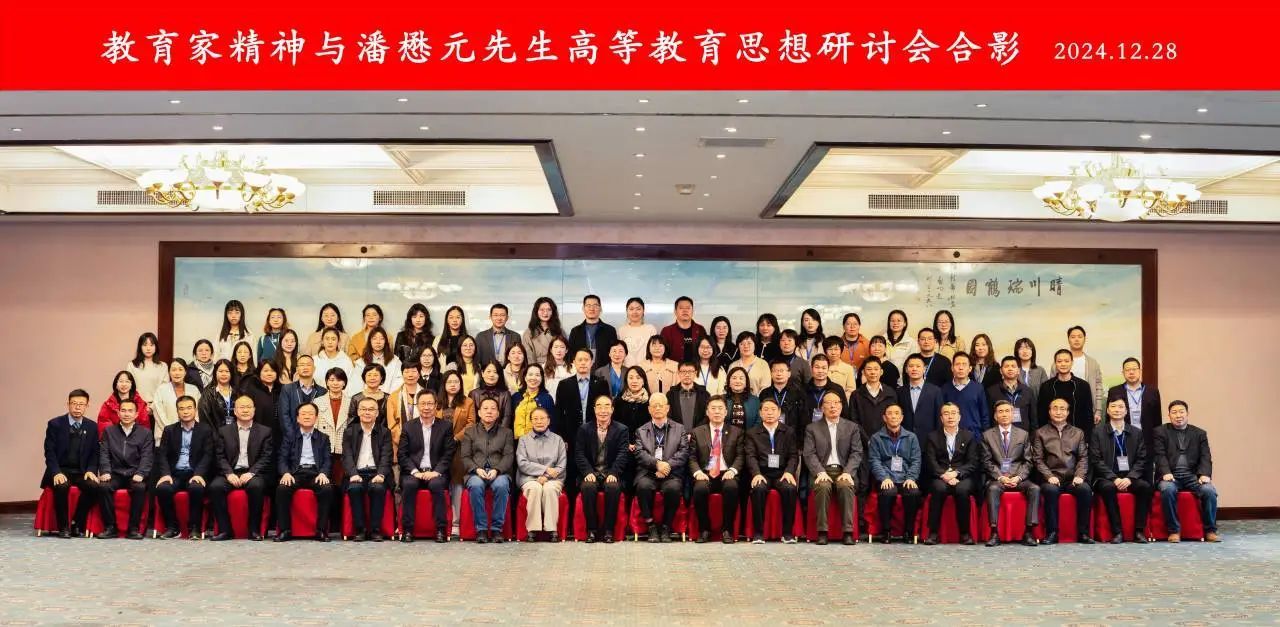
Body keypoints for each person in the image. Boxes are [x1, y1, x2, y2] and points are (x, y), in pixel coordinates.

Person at [1153, 400, 1219, 542]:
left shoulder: (1199, 433)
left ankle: (1210, 530)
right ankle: (1174, 531)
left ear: (1187, 414)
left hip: (1192, 476)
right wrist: (1165, 472)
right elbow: (1159, 455)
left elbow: (1206, 456)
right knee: (1167, 489)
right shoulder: (1160, 432)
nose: (1178, 415)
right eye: (1174, 412)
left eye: (1181, 412)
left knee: (1209, 491)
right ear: (1169, 415)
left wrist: (1204, 474)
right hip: (1170, 476)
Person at [209, 395, 273, 541]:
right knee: (215, 487)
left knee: (257, 486)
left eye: (249, 407)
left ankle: (254, 530)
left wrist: (251, 473)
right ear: (235, 411)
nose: (245, 410)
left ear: (254, 410)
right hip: (231, 472)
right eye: (242, 407)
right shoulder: (224, 431)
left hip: (253, 473)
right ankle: (225, 530)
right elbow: (219, 456)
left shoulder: (265, 432)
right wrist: (228, 473)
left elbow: (266, 457)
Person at [1090, 393, 1151, 544]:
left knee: (1144, 487)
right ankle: (1117, 532)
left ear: (1126, 411)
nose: (1117, 410)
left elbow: (1142, 459)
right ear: (1108, 410)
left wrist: (1130, 478)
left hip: (1130, 476)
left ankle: (1139, 531)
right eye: (1113, 406)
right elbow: (1096, 460)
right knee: (1108, 488)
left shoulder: (1136, 432)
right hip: (1106, 477)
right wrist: (1114, 478)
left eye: (1120, 407)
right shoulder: (1098, 432)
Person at [1032, 398, 1095, 544]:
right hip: (1052, 478)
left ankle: (1083, 533)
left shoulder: (1078, 433)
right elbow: (1037, 459)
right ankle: (1052, 533)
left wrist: (1079, 475)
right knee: (1050, 491)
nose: (1058, 412)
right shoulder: (1040, 433)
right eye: (1055, 408)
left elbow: (1083, 457)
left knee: (1085, 490)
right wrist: (1048, 476)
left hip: (1073, 478)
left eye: (1062, 409)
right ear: (1049, 412)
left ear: (1067, 412)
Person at [802, 390, 862, 545]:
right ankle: (822, 532)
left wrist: (848, 472)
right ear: (822, 408)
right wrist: (820, 472)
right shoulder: (812, 428)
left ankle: (848, 532)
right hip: (822, 471)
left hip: (844, 470)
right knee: (823, 486)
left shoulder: (852, 427)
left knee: (845, 485)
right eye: (828, 403)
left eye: (836, 403)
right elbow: (809, 454)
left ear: (841, 406)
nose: (833, 406)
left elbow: (856, 453)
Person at [42, 389, 103, 538]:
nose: (77, 407)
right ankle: (63, 527)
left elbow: (95, 452)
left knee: (95, 487)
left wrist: (91, 470)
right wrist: (56, 472)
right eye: (74, 403)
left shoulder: (92, 426)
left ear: (87, 405)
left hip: (81, 471)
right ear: (68, 404)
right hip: (60, 469)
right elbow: (49, 452)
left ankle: (77, 523)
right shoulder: (55, 424)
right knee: (61, 486)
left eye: (81, 404)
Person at [399, 390, 457, 543]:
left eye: (430, 403)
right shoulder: (408, 427)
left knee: (437, 485)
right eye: (423, 404)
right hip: (414, 472)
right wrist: (415, 472)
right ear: (417, 406)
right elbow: (402, 455)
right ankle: (408, 530)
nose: (426, 407)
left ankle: (440, 529)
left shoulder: (445, 426)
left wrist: (436, 471)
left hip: (436, 472)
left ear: (436, 405)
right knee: (409, 485)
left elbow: (449, 453)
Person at [981, 400, 1040, 547]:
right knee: (992, 489)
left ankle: (1029, 532)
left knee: (1035, 488)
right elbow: (986, 462)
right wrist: (1000, 477)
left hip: (1018, 477)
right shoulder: (987, 436)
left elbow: (1028, 461)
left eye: (1007, 411)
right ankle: (994, 532)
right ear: (995, 416)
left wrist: (1018, 477)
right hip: (998, 478)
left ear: (1013, 415)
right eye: (1000, 411)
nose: (1004, 414)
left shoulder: (1023, 435)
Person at [274, 402, 333, 542]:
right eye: (303, 414)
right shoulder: (289, 436)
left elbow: (327, 460)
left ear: (316, 418)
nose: (307, 416)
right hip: (295, 473)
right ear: (297, 418)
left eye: (311, 414)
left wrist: (323, 473)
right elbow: (282, 458)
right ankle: (285, 530)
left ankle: (321, 530)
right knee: (282, 489)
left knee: (326, 489)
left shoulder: (323, 438)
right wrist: (285, 473)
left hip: (315, 473)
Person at [634, 394, 690, 542]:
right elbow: (639, 453)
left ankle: (666, 527)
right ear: (649, 409)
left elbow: (684, 452)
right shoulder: (641, 430)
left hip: (672, 472)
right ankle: (651, 526)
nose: (658, 408)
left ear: (667, 408)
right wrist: (657, 465)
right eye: (654, 405)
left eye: (661, 405)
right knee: (643, 486)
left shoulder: (680, 429)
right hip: (648, 472)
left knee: (673, 488)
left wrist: (667, 465)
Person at [154, 395, 212, 540]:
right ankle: (173, 527)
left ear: (195, 410)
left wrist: (199, 473)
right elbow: (162, 455)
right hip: (175, 473)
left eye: (189, 408)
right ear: (177, 411)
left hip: (194, 472)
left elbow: (208, 455)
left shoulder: (205, 430)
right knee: (163, 488)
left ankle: (194, 528)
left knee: (196, 488)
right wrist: (165, 474)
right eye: (181, 409)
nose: (185, 411)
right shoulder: (169, 430)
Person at [575, 395, 630, 543]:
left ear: (612, 409)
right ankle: (591, 530)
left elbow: (623, 454)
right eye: (599, 406)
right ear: (594, 410)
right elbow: (579, 454)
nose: (603, 410)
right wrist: (587, 472)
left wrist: (614, 473)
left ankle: (608, 531)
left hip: (611, 472)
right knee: (587, 487)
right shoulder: (584, 429)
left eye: (607, 406)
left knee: (612, 487)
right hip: (591, 472)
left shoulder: (622, 429)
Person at [689, 396, 744, 543]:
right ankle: (704, 530)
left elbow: (740, 455)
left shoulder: (736, 432)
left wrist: (733, 470)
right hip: (705, 473)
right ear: (707, 412)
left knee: (732, 487)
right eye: (713, 408)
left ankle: (727, 530)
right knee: (699, 489)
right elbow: (692, 457)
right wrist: (697, 472)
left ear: (726, 412)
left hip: (727, 473)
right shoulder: (697, 432)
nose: (717, 412)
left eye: (720, 408)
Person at [460, 397, 515, 543]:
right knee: (476, 485)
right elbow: (465, 457)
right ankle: (481, 529)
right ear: (479, 412)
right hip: (476, 472)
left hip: (499, 472)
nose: (489, 411)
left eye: (493, 409)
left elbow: (508, 456)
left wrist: (497, 469)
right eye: (485, 408)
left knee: (502, 485)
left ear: (498, 413)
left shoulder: (506, 432)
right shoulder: (470, 432)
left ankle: (497, 529)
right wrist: (476, 469)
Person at [922, 403, 978, 545]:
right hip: (940, 475)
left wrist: (956, 474)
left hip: (961, 476)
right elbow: (930, 461)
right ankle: (933, 533)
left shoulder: (969, 436)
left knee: (962, 490)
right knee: (938, 488)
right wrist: (944, 475)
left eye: (953, 413)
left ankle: (965, 533)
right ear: (941, 418)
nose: (950, 417)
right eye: (946, 413)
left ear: (959, 417)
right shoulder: (932, 437)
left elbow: (972, 462)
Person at [745, 398, 800, 544]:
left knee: (790, 488)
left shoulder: (788, 431)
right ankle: (758, 533)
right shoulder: (752, 433)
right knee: (758, 489)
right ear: (760, 413)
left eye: (773, 409)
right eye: (766, 410)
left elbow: (793, 455)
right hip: (762, 473)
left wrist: (789, 472)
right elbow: (750, 456)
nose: (769, 413)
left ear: (779, 412)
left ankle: (787, 533)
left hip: (782, 473)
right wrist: (756, 473)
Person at [98, 403, 155, 538]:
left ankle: (133, 529)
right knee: (103, 487)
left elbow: (147, 456)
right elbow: (104, 453)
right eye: (123, 410)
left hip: (135, 473)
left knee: (140, 488)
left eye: (130, 411)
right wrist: (105, 471)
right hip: (115, 473)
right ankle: (110, 527)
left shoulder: (145, 433)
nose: (126, 414)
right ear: (118, 413)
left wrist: (141, 473)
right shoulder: (109, 431)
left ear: (136, 414)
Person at [868, 404, 922, 543]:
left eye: (897, 413)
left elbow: (916, 460)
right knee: (888, 492)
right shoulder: (876, 438)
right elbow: (874, 461)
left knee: (913, 492)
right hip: (886, 478)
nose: (893, 416)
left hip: (905, 478)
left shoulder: (911, 437)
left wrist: (911, 478)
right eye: (890, 413)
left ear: (902, 417)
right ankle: (886, 531)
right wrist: (884, 478)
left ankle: (909, 532)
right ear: (884, 418)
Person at [342, 397, 394, 542]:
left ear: (377, 413)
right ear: (358, 412)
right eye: (363, 409)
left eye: (371, 409)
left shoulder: (385, 432)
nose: (367, 412)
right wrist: (353, 474)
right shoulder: (349, 432)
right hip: (356, 473)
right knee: (355, 488)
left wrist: (381, 474)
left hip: (376, 473)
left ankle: (375, 530)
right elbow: (346, 456)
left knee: (377, 488)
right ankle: (360, 530)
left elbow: (386, 456)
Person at [516, 407, 567, 542]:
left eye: (542, 418)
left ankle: (552, 529)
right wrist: (544, 469)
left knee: (549, 489)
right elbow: (522, 463)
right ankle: (532, 529)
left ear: (548, 421)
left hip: (554, 478)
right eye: (535, 419)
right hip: (529, 478)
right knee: (535, 488)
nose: (539, 421)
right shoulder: (523, 440)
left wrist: (546, 476)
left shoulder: (558, 440)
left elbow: (561, 465)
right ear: (531, 422)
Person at [1108, 357, 1163, 474]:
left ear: (1140, 371)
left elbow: (1157, 420)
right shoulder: (1114, 391)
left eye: (1134, 369)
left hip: (1146, 439)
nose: (1131, 372)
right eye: (1128, 370)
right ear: (1123, 373)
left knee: (1146, 475)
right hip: (1123, 438)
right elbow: (1109, 418)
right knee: (1123, 474)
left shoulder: (1152, 391)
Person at [441, 371, 476, 539]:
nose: (453, 385)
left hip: (459, 447)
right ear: (444, 384)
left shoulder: (467, 402)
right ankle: (443, 521)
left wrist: (456, 438)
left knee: (457, 483)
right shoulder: (437, 402)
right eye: (449, 382)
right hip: (439, 447)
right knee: (441, 482)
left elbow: (471, 424)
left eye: (456, 381)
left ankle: (456, 522)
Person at [1038, 349, 1095, 437]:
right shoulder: (1046, 386)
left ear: (1072, 363)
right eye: (1059, 361)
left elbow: (1088, 415)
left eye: (1066, 361)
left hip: (1077, 436)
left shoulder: (1083, 386)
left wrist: (1086, 438)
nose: (1063, 364)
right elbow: (1041, 414)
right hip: (1051, 437)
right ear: (1055, 363)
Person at [313, 368, 352, 484]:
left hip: (343, 447)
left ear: (344, 383)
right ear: (327, 382)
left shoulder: (351, 402)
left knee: (341, 482)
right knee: (325, 482)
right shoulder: (317, 402)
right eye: (332, 380)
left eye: (339, 380)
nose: (335, 383)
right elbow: (314, 426)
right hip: (324, 447)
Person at [940, 352, 990, 441]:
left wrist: (984, 437)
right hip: (951, 437)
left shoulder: (978, 388)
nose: (961, 368)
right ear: (952, 368)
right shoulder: (944, 389)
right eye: (957, 364)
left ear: (970, 368)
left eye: (964, 364)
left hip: (974, 437)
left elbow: (984, 415)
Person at [152, 359, 200, 446]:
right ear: (169, 372)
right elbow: (159, 414)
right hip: (165, 436)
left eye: (180, 369)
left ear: (185, 372)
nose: (177, 373)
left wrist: (190, 430)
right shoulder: (161, 389)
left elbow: (197, 413)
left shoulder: (194, 389)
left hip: (190, 436)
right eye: (173, 370)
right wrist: (172, 432)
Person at [386, 360, 427, 460]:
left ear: (419, 374)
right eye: (406, 371)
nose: (410, 375)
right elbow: (391, 424)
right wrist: (403, 440)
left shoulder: (427, 395)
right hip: (400, 444)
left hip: (425, 443)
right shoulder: (394, 396)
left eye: (414, 371)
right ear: (402, 374)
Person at [277, 354, 324, 439]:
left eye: (308, 365)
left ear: (314, 369)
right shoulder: (287, 389)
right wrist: (294, 438)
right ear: (297, 369)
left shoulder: (322, 391)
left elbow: (323, 419)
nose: (305, 367)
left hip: (315, 440)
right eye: (302, 365)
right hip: (292, 440)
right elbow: (284, 416)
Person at [897, 355, 942, 440]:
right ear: (906, 369)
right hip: (905, 439)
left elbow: (939, 418)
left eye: (918, 366)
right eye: (911, 366)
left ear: (924, 369)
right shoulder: (900, 392)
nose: (914, 369)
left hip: (929, 440)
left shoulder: (935, 391)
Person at [568, 294, 618, 370]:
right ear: (583, 308)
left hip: (603, 372)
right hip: (581, 371)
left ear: (600, 308)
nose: (592, 308)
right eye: (588, 305)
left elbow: (614, 353)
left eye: (595, 305)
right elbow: (571, 354)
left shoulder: (610, 330)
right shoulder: (575, 331)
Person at [987, 356, 1038, 432]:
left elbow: (1033, 418)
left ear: (1018, 370)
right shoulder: (991, 391)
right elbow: (988, 417)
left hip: (1023, 435)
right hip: (999, 435)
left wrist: (1032, 436)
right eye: (1006, 366)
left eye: (1013, 366)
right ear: (1001, 371)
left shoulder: (1027, 391)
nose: (1010, 369)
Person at [1067, 326, 1105, 425]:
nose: (1076, 339)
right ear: (1068, 339)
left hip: (1086, 407)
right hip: (1064, 409)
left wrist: (1098, 410)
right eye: (1073, 337)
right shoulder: (1059, 362)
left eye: (1080, 336)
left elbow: (1098, 386)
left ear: (1084, 339)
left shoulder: (1093, 363)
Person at [850, 356, 895, 440]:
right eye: (869, 369)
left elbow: (894, 417)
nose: (873, 372)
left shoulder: (890, 393)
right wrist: (866, 439)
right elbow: (854, 420)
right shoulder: (856, 395)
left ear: (881, 372)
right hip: (863, 441)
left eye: (876, 369)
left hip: (886, 440)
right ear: (863, 372)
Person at [239, 360, 282, 446]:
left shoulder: (281, 389)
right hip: (257, 436)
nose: (269, 374)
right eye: (265, 371)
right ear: (259, 372)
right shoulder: (252, 389)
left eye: (272, 371)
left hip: (278, 436)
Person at [98, 370, 151, 437]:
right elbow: (104, 425)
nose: (124, 384)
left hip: (136, 440)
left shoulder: (140, 404)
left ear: (132, 385)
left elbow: (145, 427)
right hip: (114, 440)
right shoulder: (107, 405)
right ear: (116, 385)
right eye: (121, 381)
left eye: (127, 381)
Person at [760, 359, 806, 435]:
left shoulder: (799, 393)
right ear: (771, 373)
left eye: (782, 371)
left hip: (792, 436)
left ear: (789, 373)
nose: (779, 374)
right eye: (775, 371)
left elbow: (803, 419)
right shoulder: (764, 394)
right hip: (769, 435)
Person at [511, 363, 555, 439]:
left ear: (542, 378)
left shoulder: (547, 398)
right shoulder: (516, 397)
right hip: (517, 442)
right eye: (530, 374)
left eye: (537, 375)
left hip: (539, 441)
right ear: (525, 377)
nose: (533, 378)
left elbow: (552, 424)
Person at [347, 364, 389, 442]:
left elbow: (390, 422)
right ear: (364, 377)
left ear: (381, 377)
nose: (372, 378)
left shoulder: (388, 398)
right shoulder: (356, 398)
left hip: (383, 439)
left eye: (376, 375)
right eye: (369, 375)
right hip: (360, 439)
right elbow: (351, 423)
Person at [353, 327, 402, 394]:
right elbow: (356, 385)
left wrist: (388, 397)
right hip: (366, 398)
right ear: (370, 341)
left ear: (386, 342)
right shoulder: (361, 362)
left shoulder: (395, 361)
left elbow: (398, 382)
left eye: (382, 339)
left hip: (389, 397)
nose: (378, 342)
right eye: (374, 338)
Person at [660, 296, 707, 364]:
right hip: (673, 369)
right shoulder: (666, 331)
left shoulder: (700, 329)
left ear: (692, 311)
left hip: (696, 368)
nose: (685, 311)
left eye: (688, 308)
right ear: (675, 312)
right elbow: (662, 354)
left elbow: (705, 351)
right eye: (681, 308)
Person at [475, 303, 523, 369]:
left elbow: (520, 358)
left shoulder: (515, 336)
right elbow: (476, 359)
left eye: (502, 315)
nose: (499, 318)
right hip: (488, 374)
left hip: (509, 373)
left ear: (507, 318)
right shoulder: (481, 337)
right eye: (495, 315)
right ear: (490, 317)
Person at [667, 361, 710, 431]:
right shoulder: (671, 394)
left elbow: (707, 416)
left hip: (699, 433)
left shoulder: (704, 394)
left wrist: (696, 432)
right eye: (683, 371)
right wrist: (679, 431)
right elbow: (668, 416)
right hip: (677, 433)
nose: (687, 375)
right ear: (678, 373)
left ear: (695, 373)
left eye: (690, 371)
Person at [617, 297, 659, 368]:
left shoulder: (651, 329)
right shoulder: (621, 330)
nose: (635, 312)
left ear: (643, 311)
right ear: (627, 311)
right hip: (626, 370)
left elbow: (655, 351)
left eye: (638, 309)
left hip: (647, 370)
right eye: (631, 309)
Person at [126, 332, 166, 405]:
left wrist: (152, 406)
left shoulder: (163, 366)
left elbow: (164, 390)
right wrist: (142, 405)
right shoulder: (132, 365)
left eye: (151, 345)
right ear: (140, 347)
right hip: (137, 405)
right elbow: (129, 388)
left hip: (157, 405)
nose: (148, 348)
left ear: (156, 347)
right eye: (145, 345)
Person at [469, 361, 512, 430]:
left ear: (499, 375)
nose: (491, 375)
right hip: (478, 433)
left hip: (500, 433)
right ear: (482, 373)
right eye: (488, 371)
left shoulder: (505, 394)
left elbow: (507, 417)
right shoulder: (474, 394)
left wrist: (499, 434)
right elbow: (472, 418)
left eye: (495, 372)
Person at [522, 297, 563, 367]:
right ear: (536, 311)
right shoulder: (529, 332)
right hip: (537, 369)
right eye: (542, 309)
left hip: (557, 367)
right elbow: (529, 357)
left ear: (553, 312)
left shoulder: (560, 331)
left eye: (549, 310)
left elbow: (564, 352)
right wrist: (535, 370)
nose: (545, 313)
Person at [312, 327, 356, 395]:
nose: (330, 342)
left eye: (333, 339)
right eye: (327, 339)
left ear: (338, 342)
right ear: (322, 342)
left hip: (341, 397)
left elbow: (351, 383)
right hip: (318, 397)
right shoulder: (314, 360)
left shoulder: (346, 360)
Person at [611, 366, 651, 436]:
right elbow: (614, 425)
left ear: (643, 381)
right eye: (631, 378)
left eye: (638, 378)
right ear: (626, 380)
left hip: (645, 440)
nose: (634, 381)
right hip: (623, 439)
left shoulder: (650, 401)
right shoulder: (619, 401)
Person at [198, 360, 236, 428]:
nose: (224, 374)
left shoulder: (238, 393)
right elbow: (205, 419)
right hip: (214, 433)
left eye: (227, 371)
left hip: (235, 433)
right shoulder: (208, 394)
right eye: (220, 371)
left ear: (232, 373)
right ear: (215, 373)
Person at [723, 367, 761, 432]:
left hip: (750, 436)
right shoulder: (721, 399)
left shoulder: (755, 401)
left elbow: (758, 422)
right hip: (726, 437)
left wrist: (751, 435)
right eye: (734, 378)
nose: (737, 381)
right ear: (728, 382)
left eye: (741, 378)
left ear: (746, 383)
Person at [883, 309, 915, 374]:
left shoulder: (911, 342)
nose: (895, 323)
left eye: (899, 321)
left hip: (902, 378)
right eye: (892, 321)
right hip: (883, 377)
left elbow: (914, 363)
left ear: (905, 323)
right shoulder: (882, 340)